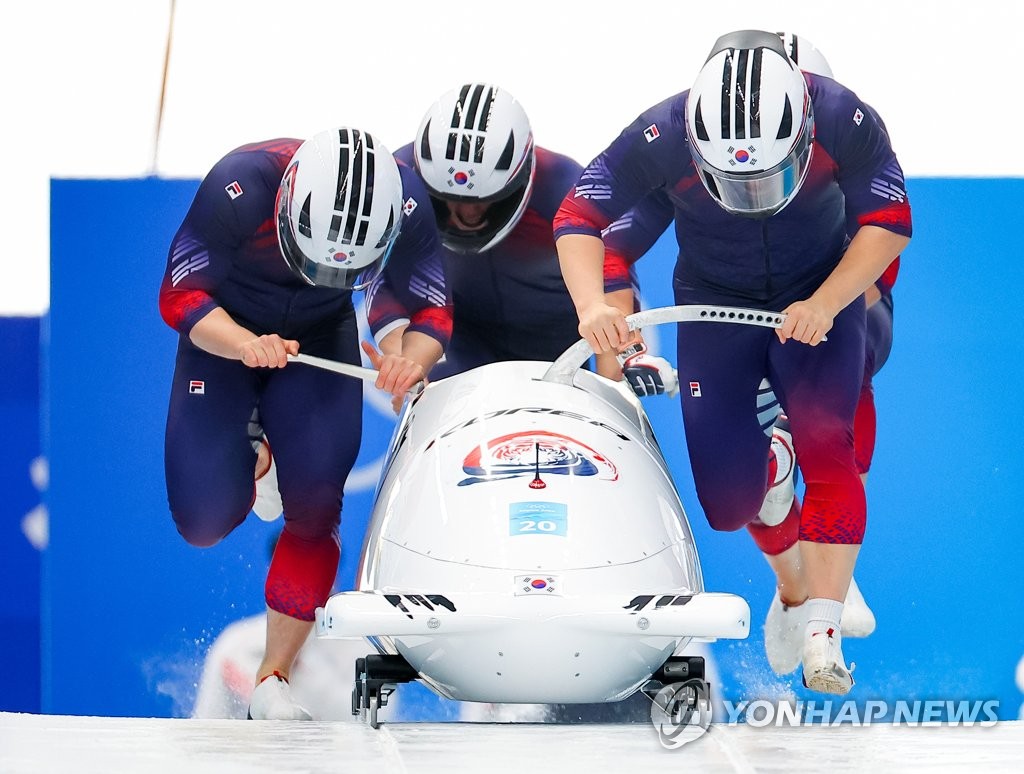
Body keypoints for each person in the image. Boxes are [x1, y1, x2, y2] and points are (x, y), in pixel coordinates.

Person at [553, 30, 911, 694]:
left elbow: (888, 226)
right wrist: (595, 306)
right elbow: (582, 217)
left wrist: (830, 301)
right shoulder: (662, 135)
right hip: (717, 305)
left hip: (818, 297)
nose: (751, 193)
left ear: (804, 134)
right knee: (727, 501)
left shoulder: (843, 118)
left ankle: (823, 632)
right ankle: (791, 560)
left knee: (834, 445)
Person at [159, 127, 452, 720]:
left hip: (319, 338)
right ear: (291, 205)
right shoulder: (239, 184)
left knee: (316, 509)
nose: (325, 274)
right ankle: (258, 455)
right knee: (203, 522)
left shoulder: (411, 203)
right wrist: (243, 344)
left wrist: (409, 360)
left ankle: (274, 678)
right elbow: (179, 295)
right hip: (226, 334)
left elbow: (433, 310)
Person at [373, 82, 652, 384]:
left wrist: (614, 379)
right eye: (447, 199)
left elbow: (613, 286)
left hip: (555, 350)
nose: (468, 215)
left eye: (488, 199)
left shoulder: (564, 186)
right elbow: (382, 274)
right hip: (459, 343)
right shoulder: (401, 183)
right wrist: (406, 359)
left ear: (523, 178)